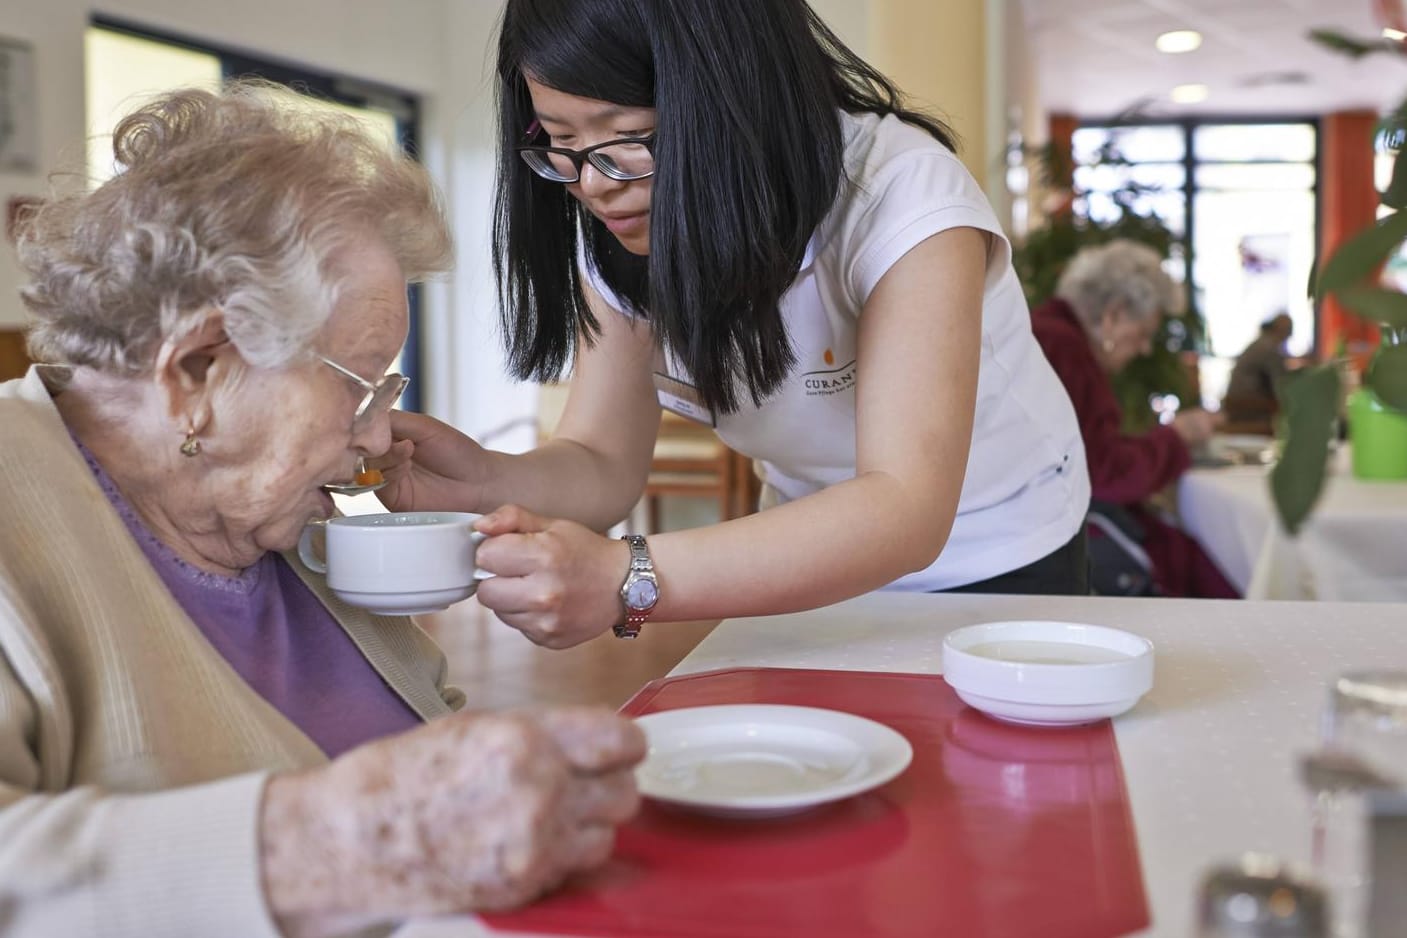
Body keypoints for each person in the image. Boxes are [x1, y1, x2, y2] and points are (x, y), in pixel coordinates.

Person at [1, 83, 643, 938]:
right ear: (197, 369)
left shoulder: (285, 526)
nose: (381, 436)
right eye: (363, 385)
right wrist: (340, 843)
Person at [375, 0, 1092, 649]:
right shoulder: (623, 223)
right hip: (807, 552)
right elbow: (601, 461)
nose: (593, 185)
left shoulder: (902, 196)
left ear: (737, 99)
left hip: (999, 549)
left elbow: (903, 506)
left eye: (628, 137)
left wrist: (628, 575)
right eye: (561, 143)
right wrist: (481, 484)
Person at [1030, 240, 1238, 599]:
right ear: (1113, 315)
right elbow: (1106, 473)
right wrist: (1177, 437)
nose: (1144, 349)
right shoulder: (1064, 350)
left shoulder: (1046, 332)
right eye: (1142, 334)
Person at [1222, 312, 1293, 432]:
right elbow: (1280, 384)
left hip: (1239, 405)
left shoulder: (1261, 343)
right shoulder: (1269, 348)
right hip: (1249, 408)